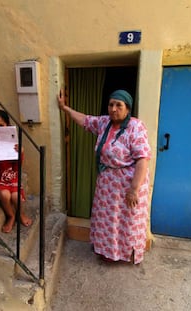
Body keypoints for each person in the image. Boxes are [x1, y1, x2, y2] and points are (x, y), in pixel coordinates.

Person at [57, 88, 151, 264]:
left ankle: (124, 254)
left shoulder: (136, 127)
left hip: (128, 184)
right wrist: (65, 109)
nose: (114, 109)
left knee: (125, 220)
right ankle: (107, 251)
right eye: (111, 104)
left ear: (128, 108)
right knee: (107, 220)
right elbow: (85, 120)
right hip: (107, 184)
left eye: (119, 105)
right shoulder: (104, 123)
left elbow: (143, 159)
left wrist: (134, 189)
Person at [0, 109, 32, 232]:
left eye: (1, 125)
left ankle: (21, 214)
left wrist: (20, 153)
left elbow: (17, 167)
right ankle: (11, 216)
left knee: (16, 196)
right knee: (4, 194)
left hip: (12, 177)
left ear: (7, 125)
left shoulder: (14, 145)